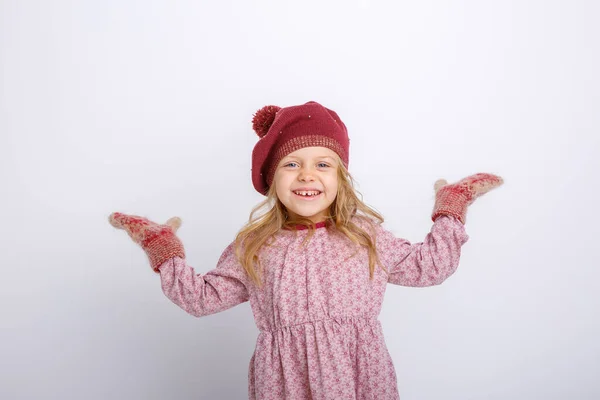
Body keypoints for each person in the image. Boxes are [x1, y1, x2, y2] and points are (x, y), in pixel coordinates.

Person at [109, 100, 504, 399]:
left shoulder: (366, 235)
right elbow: (201, 299)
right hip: (286, 383)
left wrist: (451, 207)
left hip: (358, 377)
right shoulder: (254, 246)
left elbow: (430, 268)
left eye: (323, 165)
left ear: (341, 178)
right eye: (291, 165)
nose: (307, 175)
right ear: (271, 179)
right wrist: (163, 249)